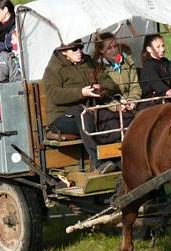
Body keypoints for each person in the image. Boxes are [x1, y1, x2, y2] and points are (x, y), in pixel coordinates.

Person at [42, 39, 119, 172]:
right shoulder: (54, 68)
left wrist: (100, 88)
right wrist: (81, 92)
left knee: (112, 118)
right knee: (83, 117)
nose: (79, 51)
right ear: (64, 51)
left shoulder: (89, 62)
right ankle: (98, 163)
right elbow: (54, 94)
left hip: (90, 109)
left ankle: (120, 158)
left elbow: (110, 84)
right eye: (74, 49)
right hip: (62, 116)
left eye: (80, 47)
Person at [93, 33, 140, 141]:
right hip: (109, 105)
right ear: (101, 50)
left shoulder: (127, 62)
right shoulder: (98, 68)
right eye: (109, 48)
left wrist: (133, 100)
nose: (114, 50)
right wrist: (117, 105)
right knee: (117, 121)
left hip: (128, 102)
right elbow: (102, 94)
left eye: (115, 46)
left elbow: (134, 85)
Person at [140, 33, 171, 100]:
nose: (162, 49)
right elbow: (155, 82)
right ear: (149, 49)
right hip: (152, 101)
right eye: (158, 47)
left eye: (163, 46)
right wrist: (169, 92)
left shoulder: (165, 61)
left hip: (166, 98)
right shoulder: (148, 65)